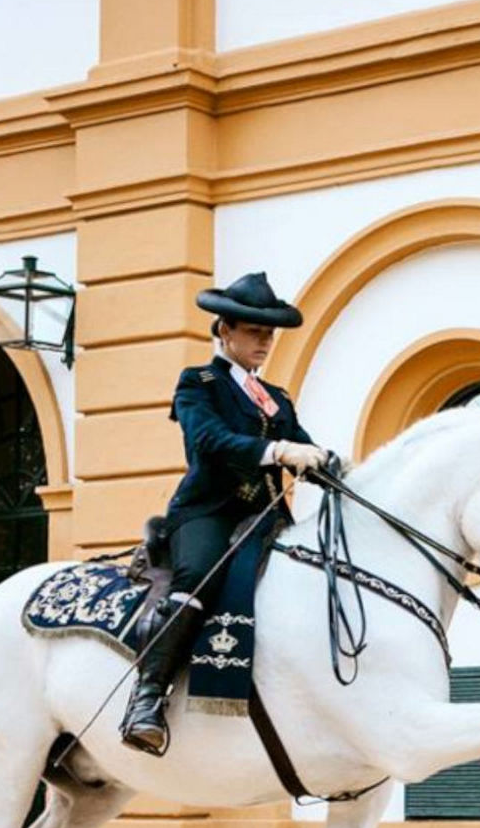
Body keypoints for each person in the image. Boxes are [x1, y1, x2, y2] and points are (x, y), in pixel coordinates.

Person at [120, 271, 328, 755]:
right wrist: (276, 452)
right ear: (225, 331)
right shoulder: (200, 383)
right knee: (197, 577)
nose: (266, 342)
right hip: (208, 511)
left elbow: (301, 444)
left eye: (270, 334)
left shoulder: (274, 396)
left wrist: (328, 462)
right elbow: (207, 443)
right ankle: (147, 696)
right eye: (255, 333)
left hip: (264, 517)